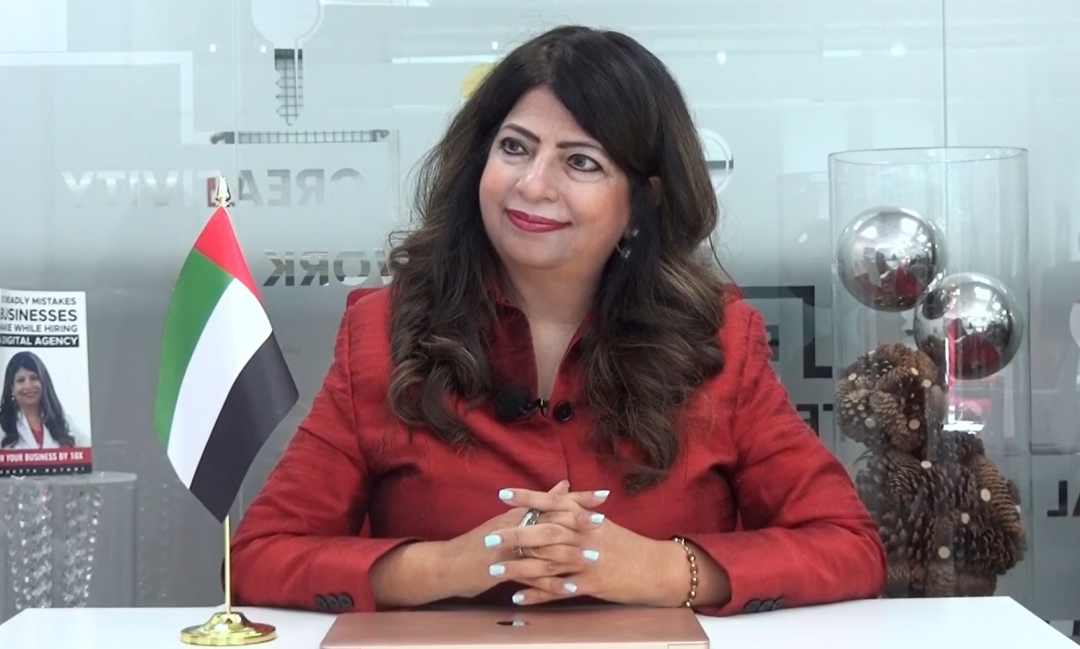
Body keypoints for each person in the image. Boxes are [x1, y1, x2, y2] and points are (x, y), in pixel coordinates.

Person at [229, 24, 887, 616]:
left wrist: (664, 570)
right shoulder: (383, 332)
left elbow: (848, 545)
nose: (534, 184)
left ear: (643, 201)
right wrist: (444, 567)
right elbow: (259, 556)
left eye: (580, 161)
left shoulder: (717, 340)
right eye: (515, 147)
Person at [0, 351, 90, 449]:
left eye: (34, 378)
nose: (28, 386)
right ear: (12, 388)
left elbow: (90, 450)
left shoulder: (62, 421)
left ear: (43, 382)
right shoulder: (2, 426)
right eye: (21, 380)